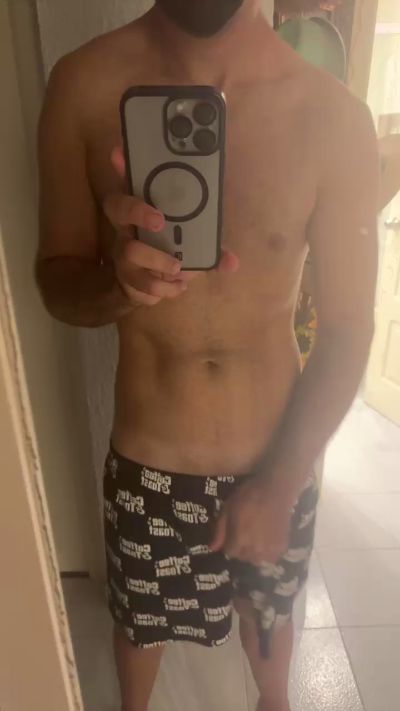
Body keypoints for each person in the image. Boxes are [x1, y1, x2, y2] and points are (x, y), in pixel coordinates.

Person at [35, 1, 378, 710]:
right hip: (148, 458)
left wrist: (281, 482)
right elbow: (57, 282)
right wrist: (117, 285)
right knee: (139, 630)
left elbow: (348, 329)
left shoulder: (334, 118)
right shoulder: (83, 87)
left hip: (276, 455)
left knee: (269, 627)